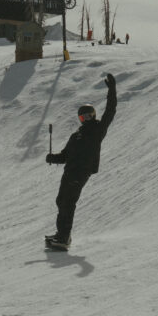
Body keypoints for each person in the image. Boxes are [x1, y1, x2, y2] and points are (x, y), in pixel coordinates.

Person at [45, 73, 117, 249]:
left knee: (68, 202)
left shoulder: (98, 130)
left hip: (81, 171)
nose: (85, 119)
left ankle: (63, 238)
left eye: (88, 116)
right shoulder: (76, 135)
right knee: (61, 201)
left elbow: (110, 111)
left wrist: (112, 90)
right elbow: (65, 156)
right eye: (82, 117)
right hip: (69, 171)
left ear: (93, 115)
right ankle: (61, 234)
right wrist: (53, 157)